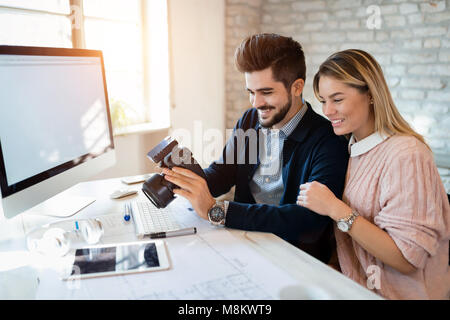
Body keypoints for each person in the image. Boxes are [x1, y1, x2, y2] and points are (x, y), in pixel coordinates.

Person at [161, 33, 349, 264]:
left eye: (266, 92)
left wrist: (217, 211)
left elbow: (308, 221)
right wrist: (180, 179)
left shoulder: (328, 140)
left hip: (293, 257)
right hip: (241, 241)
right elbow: (221, 174)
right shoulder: (251, 120)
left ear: (297, 87)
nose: (256, 103)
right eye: (251, 92)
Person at [296, 49, 450, 299]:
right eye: (323, 101)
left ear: (369, 94)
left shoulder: (406, 154)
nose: (328, 110)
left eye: (337, 99)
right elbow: (353, 246)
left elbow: (407, 259)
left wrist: (334, 207)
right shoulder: (353, 149)